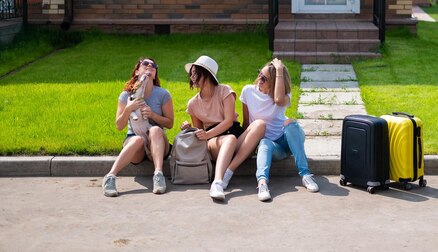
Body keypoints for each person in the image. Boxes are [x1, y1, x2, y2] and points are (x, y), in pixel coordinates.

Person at [181, 55, 265, 201]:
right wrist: (190, 129)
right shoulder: (192, 104)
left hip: (235, 135)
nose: (192, 77)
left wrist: (207, 134)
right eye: (191, 73)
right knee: (229, 139)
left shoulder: (225, 91)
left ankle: (229, 171)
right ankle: (217, 182)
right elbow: (200, 132)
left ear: (206, 74)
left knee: (260, 124)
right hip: (215, 142)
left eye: (195, 73)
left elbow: (228, 121)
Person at [240, 58, 319, 202]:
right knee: (264, 142)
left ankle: (306, 175)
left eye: (264, 78)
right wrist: (247, 148)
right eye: (259, 74)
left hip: (288, 140)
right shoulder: (248, 91)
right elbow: (246, 124)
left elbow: (277, 100)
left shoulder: (284, 95)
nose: (259, 80)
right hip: (274, 148)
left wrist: (280, 70)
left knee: (291, 124)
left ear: (275, 82)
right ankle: (262, 184)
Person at [102, 57, 174, 197]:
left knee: (155, 129)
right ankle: (110, 177)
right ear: (136, 72)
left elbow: (170, 124)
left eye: (153, 66)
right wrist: (128, 109)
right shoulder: (126, 95)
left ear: (155, 74)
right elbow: (119, 126)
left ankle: (158, 175)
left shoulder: (163, 94)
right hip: (136, 144)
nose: (150, 66)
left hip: (158, 143)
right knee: (137, 140)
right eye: (145, 64)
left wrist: (153, 115)